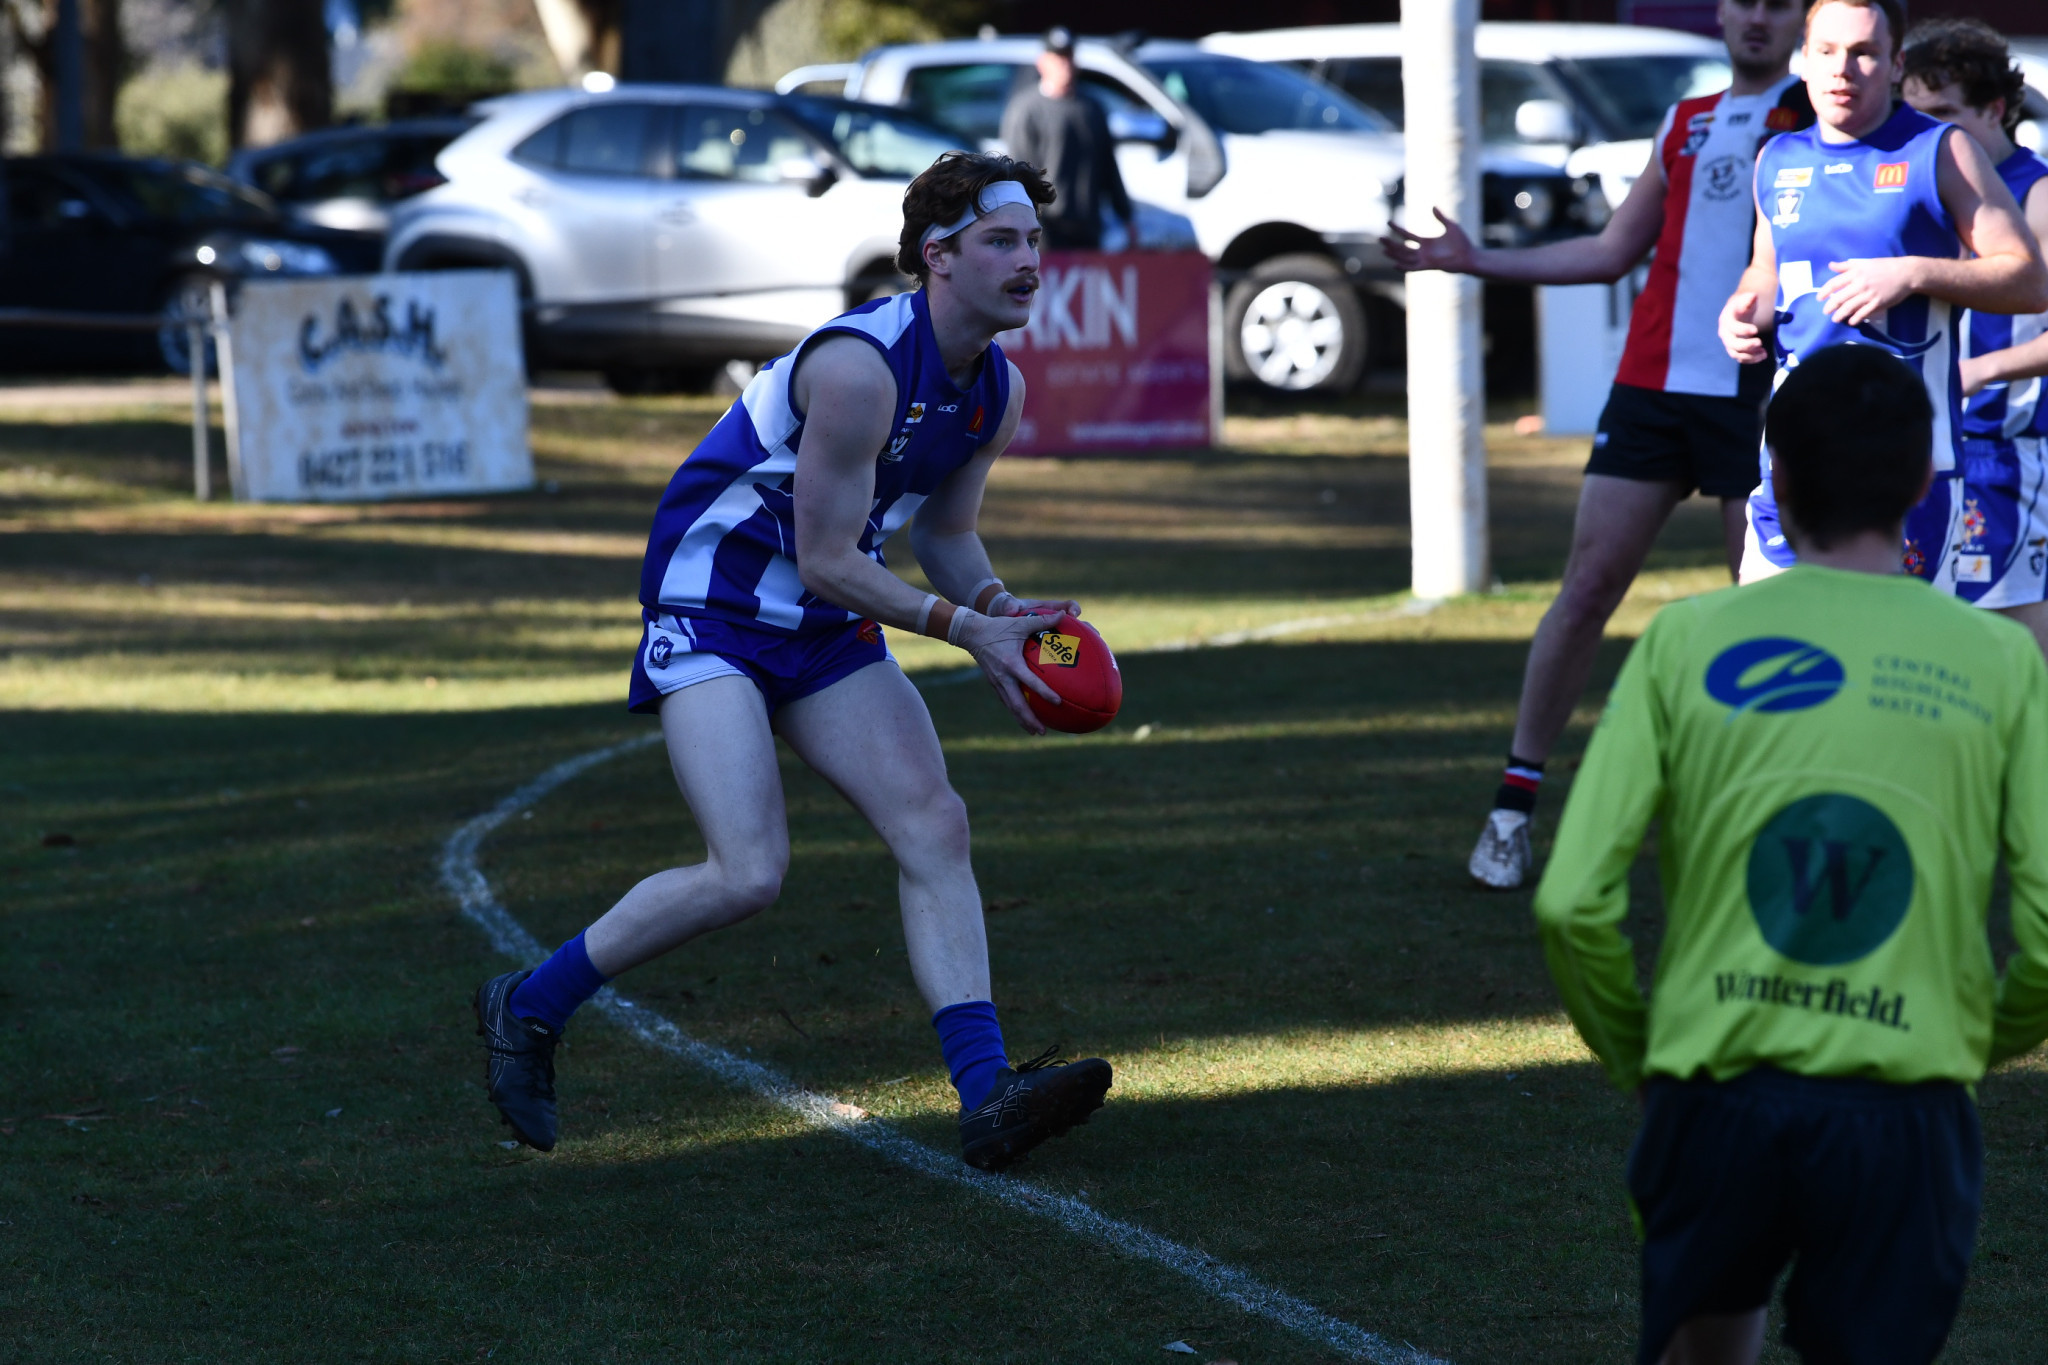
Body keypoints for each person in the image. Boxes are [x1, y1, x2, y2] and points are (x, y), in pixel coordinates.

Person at [473, 152, 1114, 1172]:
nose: (1028, 260)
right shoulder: (859, 369)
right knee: (748, 873)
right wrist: (965, 631)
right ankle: (528, 1003)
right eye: (1001, 240)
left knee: (934, 823)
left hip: (821, 624)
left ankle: (987, 1090)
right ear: (937, 257)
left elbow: (944, 533)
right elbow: (824, 557)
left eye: (1033, 240)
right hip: (714, 609)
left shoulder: (997, 389)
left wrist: (1000, 609)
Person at [1534, 343, 2048, 1365]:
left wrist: (1646, 1060)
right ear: (1921, 480)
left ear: (1771, 477)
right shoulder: (2000, 656)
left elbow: (1570, 902)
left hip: (1713, 1096)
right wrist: (1962, 1041)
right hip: (1903, 1105)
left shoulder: (1683, 639)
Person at [1379, 0, 1810, 890]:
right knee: (1585, 591)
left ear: (1803, 19)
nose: (1759, 19)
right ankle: (1511, 811)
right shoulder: (1685, 119)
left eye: (1779, 4)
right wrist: (1475, 260)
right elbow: (1613, 250)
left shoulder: (1818, 117)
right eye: (1746, 1)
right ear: (1721, 13)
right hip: (1653, 388)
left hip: (1760, 392)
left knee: (1763, 613)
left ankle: (1771, 822)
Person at [1718, 0, 2048, 595]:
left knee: (1891, 644)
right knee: (1776, 636)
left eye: (1864, 53)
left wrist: (1913, 273)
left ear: (1896, 65)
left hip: (1905, 465)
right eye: (1826, 51)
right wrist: (1741, 310)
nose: (1842, 69)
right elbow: (1767, 273)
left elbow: (2029, 280)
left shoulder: (1941, 151)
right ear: (1803, 59)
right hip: (1794, 456)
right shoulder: (1778, 158)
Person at [1900, 19, 2048, 657]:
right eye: (1914, 114)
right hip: (1923, 450)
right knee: (1926, 645)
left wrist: (1983, 370)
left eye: (1943, 114)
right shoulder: (1916, 181)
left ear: (1995, 109)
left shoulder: (2036, 193)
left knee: (2015, 652)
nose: (1927, 131)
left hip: (2003, 452)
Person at [999, 26, 1136, 251]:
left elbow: (1108, 167)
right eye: (1058, 58)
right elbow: (1019, 174)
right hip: (1046, 229)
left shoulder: (1091, 108)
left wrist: (1125, 215)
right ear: (1043, 63)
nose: (1065, 65)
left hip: (1088, 227)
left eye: (1069, 57)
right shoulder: (1026, 110)